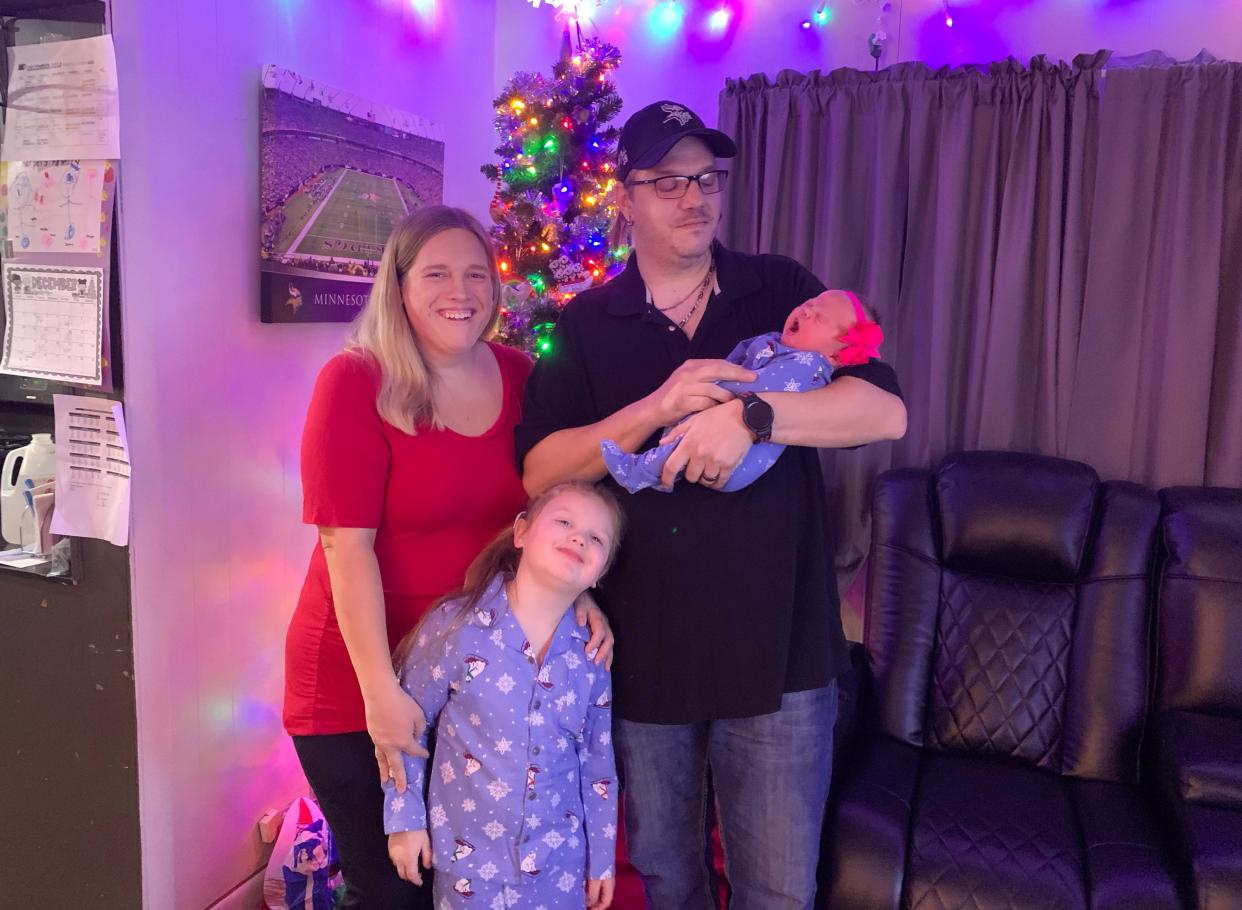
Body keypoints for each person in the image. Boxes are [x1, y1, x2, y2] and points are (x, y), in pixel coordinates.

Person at [516, 100, 907, 910]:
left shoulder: (782, 290)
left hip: (783, 660)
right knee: (669, 879)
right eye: (668, 182)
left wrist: (754, 415)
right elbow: (539, 468)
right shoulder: (585, 325)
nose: (695, 197)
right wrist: (658, 407)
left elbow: (884, 413)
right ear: (624, 198)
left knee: (776, 891)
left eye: (706, 178)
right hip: (646, 657)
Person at [284, 206, 613, 909]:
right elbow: (346, 548)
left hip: (474, 679)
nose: (459, 291)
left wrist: (575, 595)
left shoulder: (523, 375)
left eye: (475, 273)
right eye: (435, 273)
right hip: (357, 677)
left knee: (464, 882)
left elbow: (547, 514)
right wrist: (379, 691)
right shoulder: (355, 382)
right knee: (395, 886)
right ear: (398, 287)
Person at [384, 481, 622, 910]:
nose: (578, 538)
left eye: (596, 538)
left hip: (559, 868)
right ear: (521, 533)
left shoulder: (591, 655)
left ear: (601, 571)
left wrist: (601, 861)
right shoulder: (455, 626)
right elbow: (407, 727)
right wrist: (404, 819)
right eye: (564, 521)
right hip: (468, 865)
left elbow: (598, 764)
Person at [601, 289, 883, 492]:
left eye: (818, 318)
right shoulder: (778, 345)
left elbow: (752, 384)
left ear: (837, 355)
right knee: (681, 440)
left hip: (739, 464)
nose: (805, 311)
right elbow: (739, 356)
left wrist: (714, 385)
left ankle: (636, 473)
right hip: (721, 454)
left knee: (676, 449)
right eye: (808, 303)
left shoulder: (809, 366)